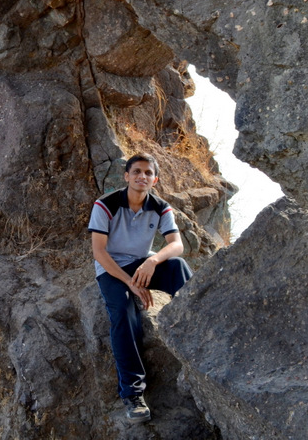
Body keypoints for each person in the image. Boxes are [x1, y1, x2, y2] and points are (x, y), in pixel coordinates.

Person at [88, 153, 193, 423]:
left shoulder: (160, 207)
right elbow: (99, 252)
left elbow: (177, 244)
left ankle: (199, 337)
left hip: (142, 263)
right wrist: (129, 283)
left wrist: (153, 261)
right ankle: (133, 394)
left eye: (148, 173)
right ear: (126, 176)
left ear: (154, 180)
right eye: (136, 171)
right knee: (124, 312)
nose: (141, 176)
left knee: (178, 266)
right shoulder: (105, 204)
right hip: (112, 269)